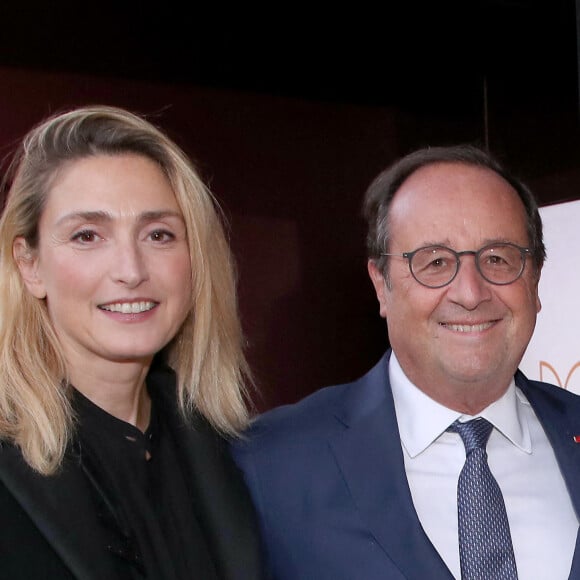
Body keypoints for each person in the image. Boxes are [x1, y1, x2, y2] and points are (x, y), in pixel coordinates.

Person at [231, 144, 580, 580]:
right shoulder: (270, 465)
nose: (470, 293)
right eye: (434, 262)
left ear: (535, 278)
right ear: (381, 284)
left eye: (498, 258)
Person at [0, 105, 264, 579]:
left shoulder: (237, 454)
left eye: (159, 234)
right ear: (29, 264)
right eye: (87, 236)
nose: (131, 270)